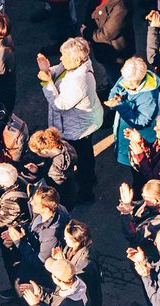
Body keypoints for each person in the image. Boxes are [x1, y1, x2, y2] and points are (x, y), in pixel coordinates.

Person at [39, 38, 102, 202]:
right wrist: (47, 71)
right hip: (80, 123)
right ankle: (90, 178)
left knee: (80, 157)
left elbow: (60, 104)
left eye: (64, 57)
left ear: (76, 59)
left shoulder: (78, 81)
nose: (61, 59)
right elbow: (58, 70)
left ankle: (86, 191)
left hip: (78, 128)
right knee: (86, 154)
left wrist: (47, 83)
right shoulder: (76, 65)